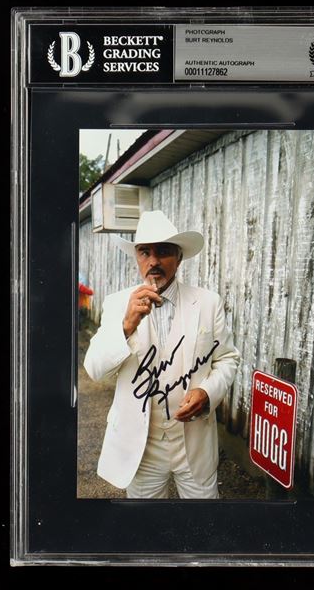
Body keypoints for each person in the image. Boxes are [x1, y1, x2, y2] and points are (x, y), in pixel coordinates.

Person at [84, 210, 240, 499]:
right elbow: (94, 369)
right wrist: (126, 325)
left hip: (193, 444)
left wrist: (207, 392)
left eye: (163, 251)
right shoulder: (117, 304)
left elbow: (227, 358)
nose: (153, 261)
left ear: (179, 258)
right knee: (146, 524)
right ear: (137, 257)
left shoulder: (208, 303)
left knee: (202, 522)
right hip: (141, 448)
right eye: (145, 252)